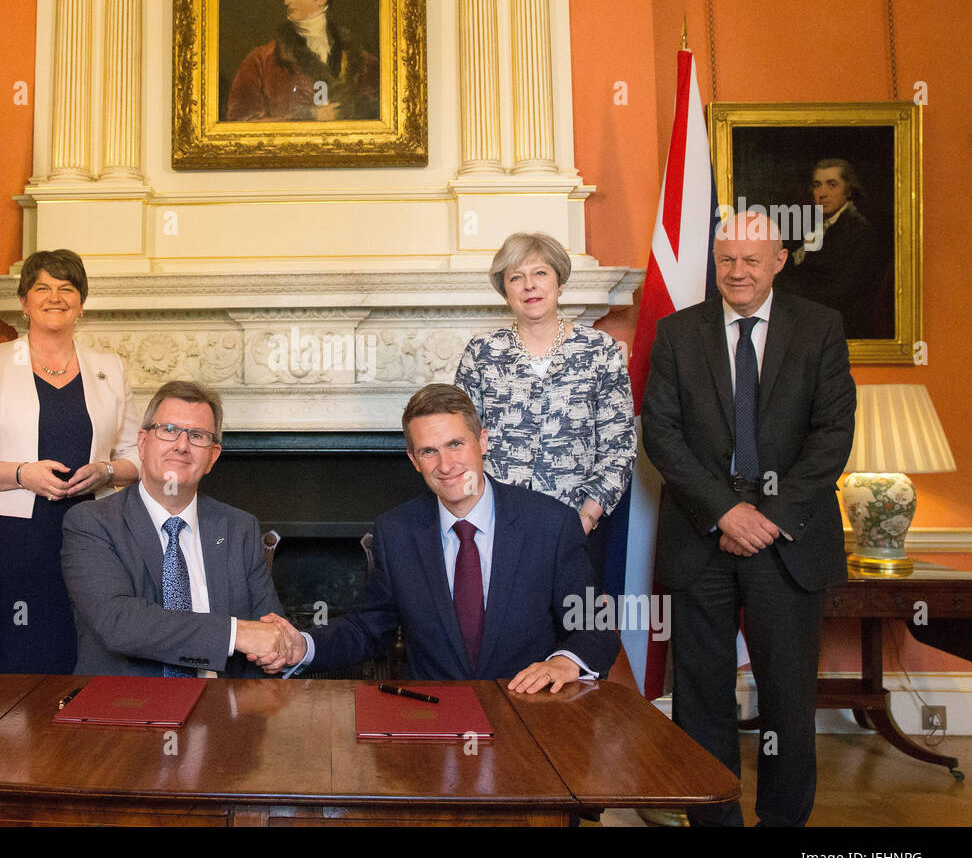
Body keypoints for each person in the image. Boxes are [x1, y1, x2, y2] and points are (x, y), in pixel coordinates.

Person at [641, 210, 856, 827]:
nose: (736, 272)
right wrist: (726, 511)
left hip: (787, 539)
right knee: (702, 696)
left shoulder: (819, 328)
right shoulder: (679, 332)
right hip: (700, 533)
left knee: (787, 696)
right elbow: (662, 433)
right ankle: (713, 819)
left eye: (751, 260)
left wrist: (770, 515)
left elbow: (832, 434)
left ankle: (784, 822)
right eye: (726, 259)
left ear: (779, 261)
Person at [263, 384, 621, 689]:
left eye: (455, 444)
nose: (445, 465)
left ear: (482, 441)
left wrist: (566, 662)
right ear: (413, 459)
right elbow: (368, 629)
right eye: (428, 451)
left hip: (528, 711)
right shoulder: (397, 530)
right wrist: (303, 645)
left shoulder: (551, 523)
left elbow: (594, 626)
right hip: (434, 718)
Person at [0, 250, 141, 674]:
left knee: (89, 644)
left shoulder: (109, 368)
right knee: (18, 649)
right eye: (42, 288)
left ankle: (83, 736)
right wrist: (22, 475)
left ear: (81, 301)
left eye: (67, 288)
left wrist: (105, 471)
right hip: (12, 536)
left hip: (94, 532)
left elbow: (136, 457)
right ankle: (12, 738)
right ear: (23, 302)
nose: (55, 297)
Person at [60, 380, 293, 677]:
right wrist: (235, 634)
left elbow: (268, 629)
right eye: (169, 430)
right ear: (142, 444)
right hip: (128, 710)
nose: (182, 445)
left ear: (213, 456)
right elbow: (119, 623)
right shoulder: (92, 523)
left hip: (223, 708)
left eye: (197, 436)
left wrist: (278, 649)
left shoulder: (239, 527)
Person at [455, 232, 635, 589]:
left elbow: (619, 449)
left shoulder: (600, 350)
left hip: (578, 525)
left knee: (575, 632)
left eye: (540, 273)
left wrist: (584, 519)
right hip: (497, 527)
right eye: (516, 277)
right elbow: (460, 442)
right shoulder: (481, 353)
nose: (529, 286)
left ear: (559, 281)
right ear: (504, 290)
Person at [225, 0, 380, 122]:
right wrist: (308, 117)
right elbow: (240, 122)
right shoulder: (261, 60)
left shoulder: (364, 62)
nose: (287, 1)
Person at [777, 158, 893, 339]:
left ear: (848, 190)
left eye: (832, 185)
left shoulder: (860, 232)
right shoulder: (811, 226)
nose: (822, 193)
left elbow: (840, 293)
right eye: (817, 185)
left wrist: (783, 294)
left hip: (838, 326)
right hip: (804, 316)